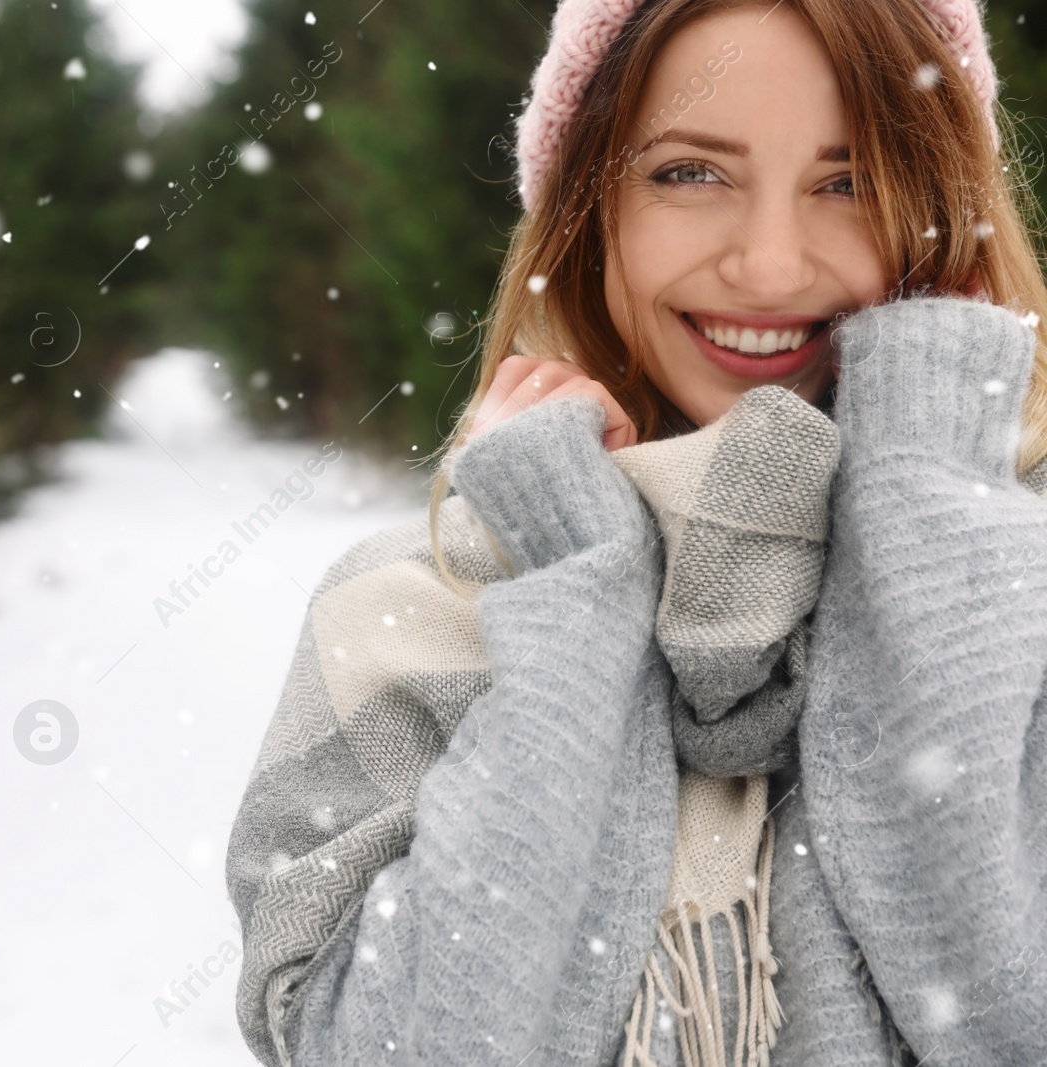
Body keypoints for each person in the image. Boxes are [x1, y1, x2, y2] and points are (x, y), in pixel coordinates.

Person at [225, 0, 1047, 1064]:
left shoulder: (1019, 587)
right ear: (585, 208)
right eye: (688, 173)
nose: (769, 267)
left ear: (945, 217)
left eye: (848, 183)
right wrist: (574, 587)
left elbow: (1006, 1008)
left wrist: (926, 503)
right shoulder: (415, 607)